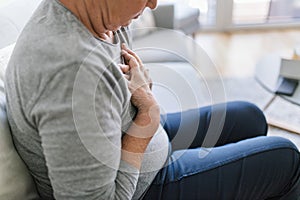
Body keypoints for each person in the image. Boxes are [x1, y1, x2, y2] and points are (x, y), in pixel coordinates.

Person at [5, 0, 300, 199]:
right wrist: (147, 118)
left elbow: (122, 95)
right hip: (142, 188)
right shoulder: (71, 73)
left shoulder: (99, 19)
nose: (153, 3)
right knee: (286, 157)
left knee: (250, 116)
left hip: (139, 142)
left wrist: (142, 95)